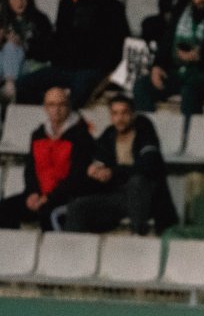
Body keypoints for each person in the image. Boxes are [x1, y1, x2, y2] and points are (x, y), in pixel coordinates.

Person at [15, 0, 130, 110]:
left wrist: (107, 71)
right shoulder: (66, 3)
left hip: (92, 69)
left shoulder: (111, 5)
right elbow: (58, 42)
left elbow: (120, 43)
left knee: (74, 100)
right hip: (63, 68)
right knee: (24, 84)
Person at [61, 95, 177, 234]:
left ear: (132, 114)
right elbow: (99, 158)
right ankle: (72, 249)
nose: (119, 118)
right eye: (115, 113)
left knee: (137, 182)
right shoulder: (109, 134)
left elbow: (149, 166)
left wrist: (113, 172)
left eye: (124, 113)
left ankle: (137, 239)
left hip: (148, 196)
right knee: (77, 207)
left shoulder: (144, 129)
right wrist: (95, 170)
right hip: (118, 196)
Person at [0, 88, 95, 231]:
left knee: (48, 213)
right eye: (51, 105)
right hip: (39, 194)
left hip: (65, 197)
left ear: (68, 106)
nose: (56, 110)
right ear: (45, 107)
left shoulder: (81, 136)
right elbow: (31, 169)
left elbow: (77, 176)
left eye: (61, 105)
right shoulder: (38, 134)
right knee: (4, 209)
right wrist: (33, 193)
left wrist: (49, 197)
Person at [134, 0, 204, 116]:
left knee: (190, 89)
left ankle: (188, 135)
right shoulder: (180, 13)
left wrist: (199, 56)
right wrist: (157, 66)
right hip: (177, 72)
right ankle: (149, 130)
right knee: (142, 85)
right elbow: (166, 42)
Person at [0, 0, 52, 103]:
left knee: (11, 46)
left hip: (30, 63)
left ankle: (10, 83)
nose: (19, 1)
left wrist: (24, 45)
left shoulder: (40, 19)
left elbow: (47, 50)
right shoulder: (2, 19)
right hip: (5, 63)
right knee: (8, 47)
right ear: (7, 0)